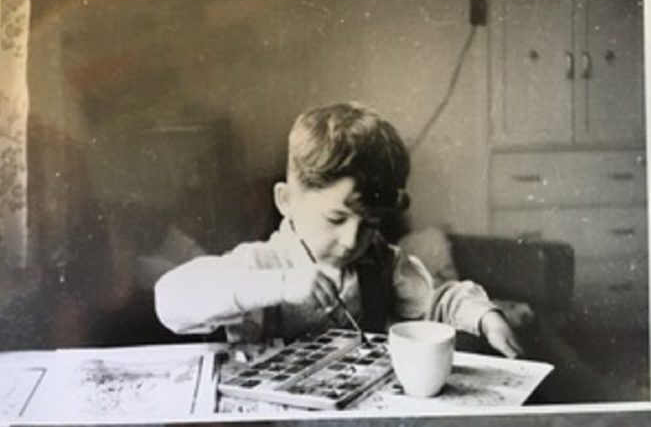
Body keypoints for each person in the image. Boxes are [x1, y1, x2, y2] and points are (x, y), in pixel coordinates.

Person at [154, 103, 522, 358]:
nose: (351, 241)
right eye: (335, 219)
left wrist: (484, 315)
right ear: (286, 201)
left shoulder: (380, 263)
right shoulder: (262, 265)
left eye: (370, 225)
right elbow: (170, 300)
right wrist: (280, 284)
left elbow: (437, 300)